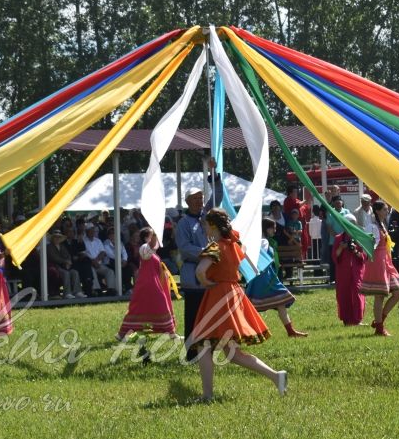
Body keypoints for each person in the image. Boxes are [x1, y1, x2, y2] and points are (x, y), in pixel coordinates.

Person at [192, 208, 286, 401]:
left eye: (205, 225)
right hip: (234, 294)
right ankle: (276, 376)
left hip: (218, 296)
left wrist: (206, 282)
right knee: (231, 353)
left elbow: (201, 271)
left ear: (212, 225)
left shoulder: (215, 246)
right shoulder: (234, 244)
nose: (204, 228)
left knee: (203, 345)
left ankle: (207, 395)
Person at [175, 168, 223, 360]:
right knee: (193, 316)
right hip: (193, 277)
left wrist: (214, 175)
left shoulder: (207, 215)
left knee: (210, 314)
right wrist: (207, 253)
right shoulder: (183, 224)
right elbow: (184, 248)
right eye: (195, 198)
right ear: (188, 201)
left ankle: (209, 349)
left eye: (201, 197)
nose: (199, 201)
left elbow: (218, 194)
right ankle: (191, 352)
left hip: (211, 274)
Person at [245, 218, 307, 338]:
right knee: (258, 305)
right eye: (272, 228)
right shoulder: (263, 241)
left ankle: (290, 331)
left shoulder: (262, 241)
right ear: (266, 228)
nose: (274, 230)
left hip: (265, 275)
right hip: (264, 277)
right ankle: (250, 332)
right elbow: (260, 256)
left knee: (280, 303)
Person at [117, 227, 177, 341]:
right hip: (148, 284)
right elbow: (149, 249)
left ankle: (170, 332)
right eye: (151, 235)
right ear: (146, 237)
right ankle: (170, 332)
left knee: (141, 308)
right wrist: (155, 232)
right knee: (160, 305)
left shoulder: (152, 251)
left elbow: (155, 246)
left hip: (152, 284)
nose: (154, 238)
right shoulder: (144, 247)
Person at [359, 200, 399, 336]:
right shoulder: (372, 226)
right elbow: (367, 245)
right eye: (385, 209)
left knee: (398, 292)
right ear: (378, 211)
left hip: (386, 261)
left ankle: (379, 320)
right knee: (379, 296)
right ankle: (379, 328)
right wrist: (372, 243)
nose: (387, 211)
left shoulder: (382, 225)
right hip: (377, 262)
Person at [333, 222, 367, 326]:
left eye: (353, 224)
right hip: (343, 271)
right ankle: (347, 320)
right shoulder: (339, 238)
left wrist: (355, 251)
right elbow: (335, 256)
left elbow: (364, 256)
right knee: (344, 293)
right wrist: (341, 247)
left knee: (358, 292)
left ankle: (357, 320)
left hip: (357, 270)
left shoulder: (359, 237)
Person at [47, 232, 82, 298]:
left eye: (59, 237)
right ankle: (67, 293)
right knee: (66, 273)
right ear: (52, 238)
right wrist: (65, 261)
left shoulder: (62, 246)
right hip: (55, 266)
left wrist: (68, 261)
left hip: (65, 266)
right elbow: (54, 258)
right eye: (56, 237)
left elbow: (68, 255)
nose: (57, 238)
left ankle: (77, 292)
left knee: (75, 272)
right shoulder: (49, 247)